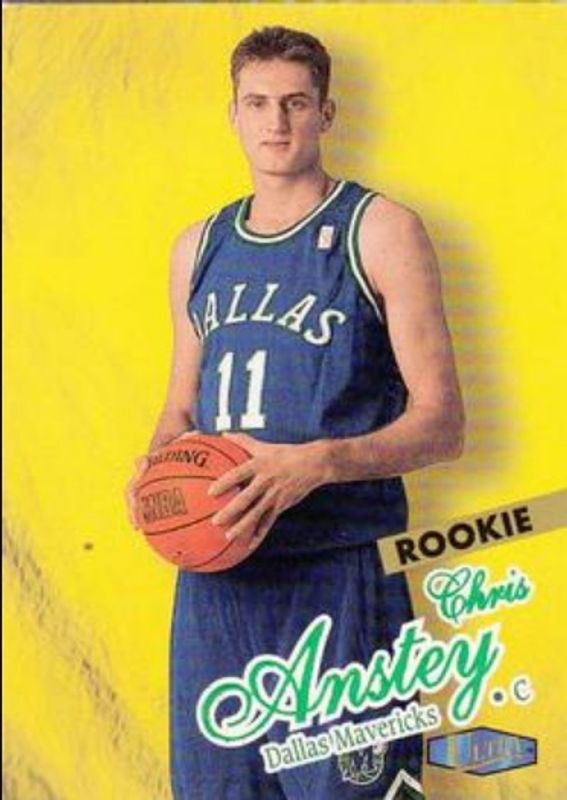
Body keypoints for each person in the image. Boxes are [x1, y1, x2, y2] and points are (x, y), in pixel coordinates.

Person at [127, 25, 464, 800]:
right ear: (233, 115)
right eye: (257, 103)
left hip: (338, 575)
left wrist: (317, 463)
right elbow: (179, 408)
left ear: (326, 113)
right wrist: (155, 470)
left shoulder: (379, 229)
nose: (275, 121)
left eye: (295, 103)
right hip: (218, 580)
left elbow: (443, 423)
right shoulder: (198, 246)